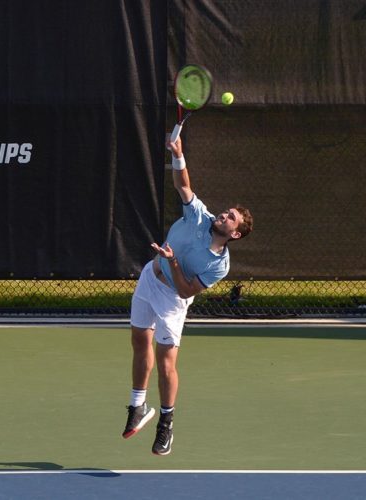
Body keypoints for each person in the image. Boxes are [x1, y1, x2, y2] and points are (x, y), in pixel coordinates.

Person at [122, 135, 253, 455]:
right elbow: (184, 186)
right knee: (140, 341)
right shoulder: (199, 215)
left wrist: (173, 260)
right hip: (149, 279)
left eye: (230, 218)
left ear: (234, 234)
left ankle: (165, 423)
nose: (223, 215)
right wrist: (178, 155)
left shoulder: (219, 265)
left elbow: (184, 290)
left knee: (167, 363)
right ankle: (137, 405)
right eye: (225, 212)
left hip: (172, 300)